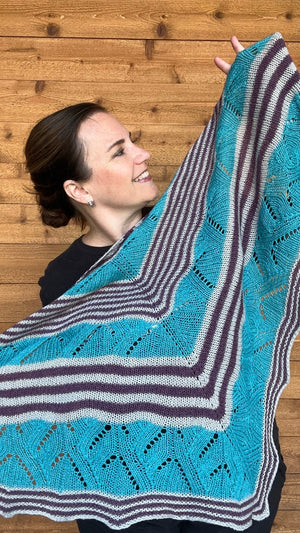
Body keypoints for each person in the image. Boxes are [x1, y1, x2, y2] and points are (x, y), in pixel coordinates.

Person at [22, 37, 289, 533]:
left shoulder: (201, 233)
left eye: (133, 139)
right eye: (120, 151)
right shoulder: (62, 282)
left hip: (229, 476)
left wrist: (270, 113)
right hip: (133, 499)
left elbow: (279, 210)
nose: (143, 154)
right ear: (79, 189)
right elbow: (87, 413)